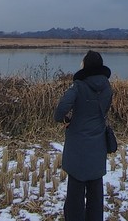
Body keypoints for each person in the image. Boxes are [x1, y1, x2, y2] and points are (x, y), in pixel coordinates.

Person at [54, 50, 113, 221]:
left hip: (78, 141)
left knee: (76, 186)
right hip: (98, 140)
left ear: (86, 65)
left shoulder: (79, 86)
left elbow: (61, 108)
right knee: (95, 186)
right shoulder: (107, 86)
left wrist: (64, 119)